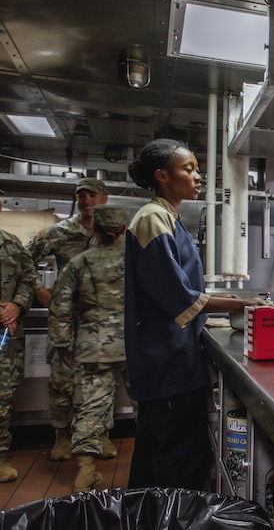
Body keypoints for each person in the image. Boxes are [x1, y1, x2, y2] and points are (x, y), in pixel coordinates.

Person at [124, 138, 267, 491]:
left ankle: (144, 517)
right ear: (162, 175)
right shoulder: (153, 219)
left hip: (169, 360)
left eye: (197, 170)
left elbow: (182, 290)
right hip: (166, 363)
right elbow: (177, 297)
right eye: (188, 169)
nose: (197, 177)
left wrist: (225, 301)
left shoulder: (168, 217)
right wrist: (240, 305)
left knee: (155, 456)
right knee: (178, 459)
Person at [25, 177, 115, 461]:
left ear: (104, 199)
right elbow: (23, 258)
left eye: (92, 196)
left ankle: (101, 434)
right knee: (63, 381)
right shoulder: (59, 233)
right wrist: (37, 288)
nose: (87, 201)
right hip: (67, 320)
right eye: (81, 197)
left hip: (102, 324)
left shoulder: (115, 233)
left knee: (102, 380)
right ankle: (62, 436)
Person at [49, 205, 131, 492]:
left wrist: (63, 345)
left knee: (89, 408)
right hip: (134, 346)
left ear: (94, 230)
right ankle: (150, 466)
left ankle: (85, 472)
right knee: (147, 407)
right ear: (124, 230)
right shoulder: (137, 262)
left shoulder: (79, 263)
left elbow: (60, 308)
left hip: (91, 346)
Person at [0, 189, 38, 482]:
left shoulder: (11, 245)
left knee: (3, 397)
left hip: (6, 336)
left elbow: (28, 278)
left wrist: (17, 305)